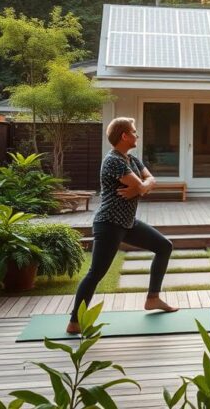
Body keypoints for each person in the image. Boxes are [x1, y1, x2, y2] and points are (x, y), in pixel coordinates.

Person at [67, 117, 177, 334]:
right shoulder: (113, 161)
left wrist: (142, 187)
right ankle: (74, 322)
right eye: (134, 132)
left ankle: (153, 298)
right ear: (124, 136)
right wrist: (142, 187)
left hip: (127, 223)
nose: (137, 135)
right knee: (96, 273)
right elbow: (144, 186)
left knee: (164, 246)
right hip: (109, 224)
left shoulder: (131, 159)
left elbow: (150, 181)